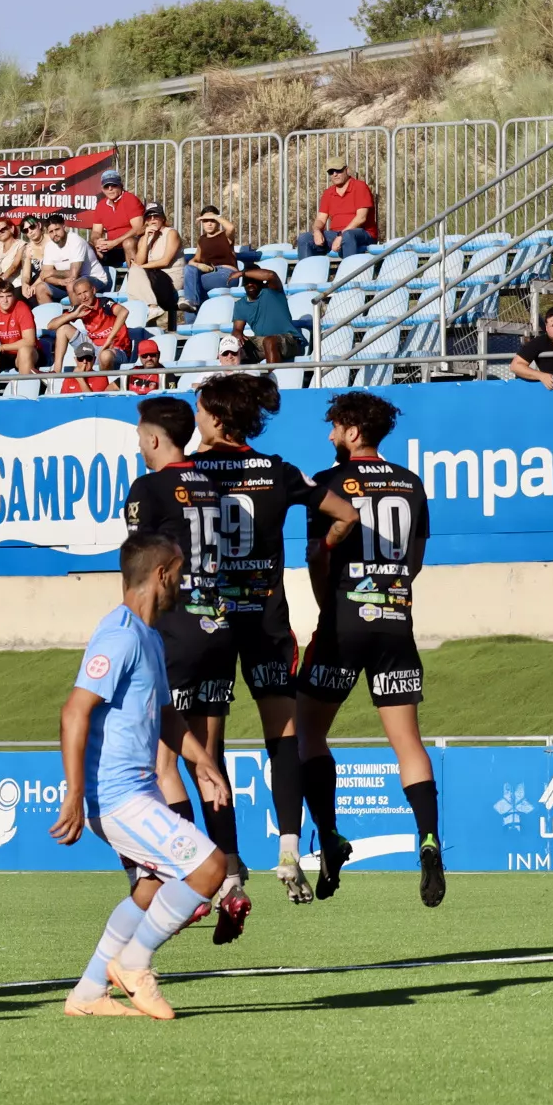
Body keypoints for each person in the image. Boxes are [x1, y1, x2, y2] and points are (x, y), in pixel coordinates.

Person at [50, 529, 235, 1022]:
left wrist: (202, 762)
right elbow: (74, 712)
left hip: (136, 792)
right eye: (178, 573)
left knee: (151, 888)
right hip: (117, 798)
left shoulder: (148, 636)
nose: (184, 582)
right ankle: (133, 964)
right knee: (209, 869)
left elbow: (167, 716)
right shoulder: (120, 635)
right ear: (160, 575)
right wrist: (74, 794)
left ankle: (88, 992)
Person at [295, 391, 443, 909]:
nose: (330, 435)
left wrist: (331, 606)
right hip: (395, 623)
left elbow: (318, 559)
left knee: (308, 731)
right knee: (408, 743)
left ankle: (330, 836)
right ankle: (428, 840)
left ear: (353, 431)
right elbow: (416, 561)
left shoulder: (328, 483)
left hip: (342, 623)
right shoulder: (412, 482)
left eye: (335, 427)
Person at [189, 373, 314, 911]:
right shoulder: (278, 469)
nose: (195, 419)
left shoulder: (187, 471)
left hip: (210, 621)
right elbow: (339, 511)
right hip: (266, 617)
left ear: (216, 417)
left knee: (209, 749)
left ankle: (229, 866)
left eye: (199, 411)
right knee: (283, 736)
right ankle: (289, 849)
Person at [120, 395, 242, 940]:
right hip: (218, 628)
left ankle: (188, 880)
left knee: (163, 765)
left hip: (175, 632)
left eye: (139, 436)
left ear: (152, 439)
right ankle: (232, 877)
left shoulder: (148, 489)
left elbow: (142, 569)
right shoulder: (211, 486)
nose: (137, 445)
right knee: (209, 760)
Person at [49, 274, 130, 370]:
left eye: (85, 292)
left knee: (105, 355)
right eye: (79, 294)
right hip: (93, 347)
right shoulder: (79, 308)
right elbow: (50, 326)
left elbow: (124, 312)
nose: (83, 297)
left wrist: (109, 340)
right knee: (62, 329)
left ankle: (103, 382)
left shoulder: (105, 303)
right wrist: (74, 315)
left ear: (94, 290)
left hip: (115, 348)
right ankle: (56, 372)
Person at [299, 163, 377, 260]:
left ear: (347, 170)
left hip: (362, 234)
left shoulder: (360, 187)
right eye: (331, 172)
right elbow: (321, 219)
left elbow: (361, 218)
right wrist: (317, 231)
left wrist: (341, 235)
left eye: (338, 170)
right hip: (336, 234)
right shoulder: (328, 193)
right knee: (304, 238)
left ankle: (350, 273)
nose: (335, 174)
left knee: (348, 235)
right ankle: (307, 274)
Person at [126, 201, 184, 330]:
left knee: (136, 272)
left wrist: (141, 267)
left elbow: (165, 261)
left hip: (171, 279)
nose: (152, 220)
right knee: (134, 274)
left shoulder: (171, 233)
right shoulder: (145, 238)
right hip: (154, 280)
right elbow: (139, 262)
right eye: (149, 217)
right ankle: (149, 314)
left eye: (156, 216)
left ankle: (149, 309)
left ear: (162, 218)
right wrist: (146, 237)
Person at [232, 262, 303, 363]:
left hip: (288, 340)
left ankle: (273, 377)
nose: (250, 284)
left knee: (269, 341)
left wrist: (242, 273)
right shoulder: (240, 304)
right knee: (230, 347)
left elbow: (271, 275)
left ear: (261, 282)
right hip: (262, 341)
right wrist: (237, 334)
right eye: (247, 282)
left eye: (254, 281)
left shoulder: (272, 291)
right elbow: (237, 329)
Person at [85, 167, 148, 277]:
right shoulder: (101, 205)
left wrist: (114, 242)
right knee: (87, 246)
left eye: (114, 185)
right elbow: (95, 232)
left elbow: (138, 228)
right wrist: (96, 241)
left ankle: (135, 278)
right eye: (106, 186)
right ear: (102, 189)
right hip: (111, 248)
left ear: (121, 185)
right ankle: (96, 281)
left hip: (132, 246)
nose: (110, 189)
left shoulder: (130, 200)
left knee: (128, 243)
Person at [31, 211, 100, 304]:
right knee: (40, 288)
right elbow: (44, 276)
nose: (54, 234)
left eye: (57, 229)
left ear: (64, 227)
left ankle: (78, 317)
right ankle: (54, 318)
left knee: (72, 285)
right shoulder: (49, 246)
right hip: (68, 282)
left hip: (94, 279)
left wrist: (52, 272)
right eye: (51, 231)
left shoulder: (76, 241)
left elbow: (74, 274)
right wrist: (60, 282)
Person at [181, 206, 241, 312]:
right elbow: (193, 260)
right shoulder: (202, 240)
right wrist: (198, 265)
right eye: (205, 221)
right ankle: (191, 321)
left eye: (212, 220)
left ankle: (191, 303)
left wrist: (216, 216)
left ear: (217, 221)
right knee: (189, 271)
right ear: (202, 222)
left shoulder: (225, 235)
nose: (209, 224)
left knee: (192, 286)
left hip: (227, 274)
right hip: (209, 273)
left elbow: (231, 228)